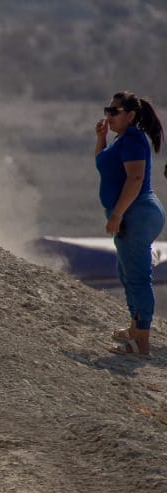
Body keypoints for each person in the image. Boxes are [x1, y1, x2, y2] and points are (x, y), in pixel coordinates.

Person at [95, 91, 165, 355]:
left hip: (137, 213)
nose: (109, 116)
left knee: (137, 276)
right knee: (126, 272)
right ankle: (136, 328)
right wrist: (101, 138)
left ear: (131, 115)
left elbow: (135, 180)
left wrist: (117, 215)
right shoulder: (120, 140)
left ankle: (142, 341)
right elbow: (102, 165)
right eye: (107, 110)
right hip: (131, 213)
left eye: (115, 111)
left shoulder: (133, 139)